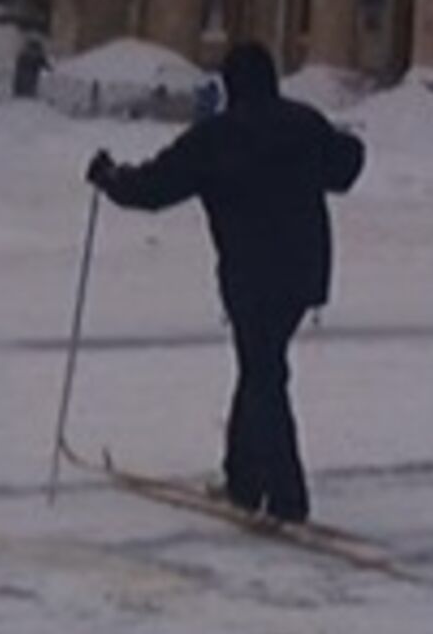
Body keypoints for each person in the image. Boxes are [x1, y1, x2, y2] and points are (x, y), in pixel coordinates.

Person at [85, 42, 365, 524]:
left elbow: (154, 188)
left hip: (251, 273)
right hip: (303, 272)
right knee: (259, 369)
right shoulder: (302, 123)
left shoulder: (216, 138)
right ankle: (245, 479)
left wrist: (110, 178)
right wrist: (344, 144)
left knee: (264, 375)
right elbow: (345, 169)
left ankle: (286, 497)